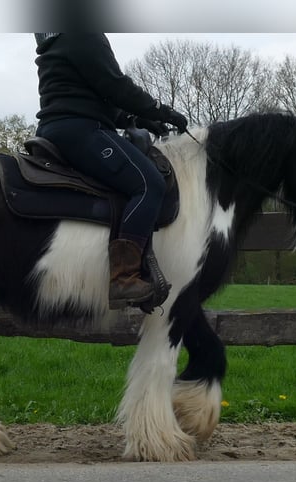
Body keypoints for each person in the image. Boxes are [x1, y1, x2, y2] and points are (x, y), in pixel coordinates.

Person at [33, 33, 188, 309]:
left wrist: (138, 119)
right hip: (82, 129)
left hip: (60, 126)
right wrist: (161, 111)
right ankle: (124, 277)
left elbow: (93, 95)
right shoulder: (81, 32)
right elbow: (115, 86)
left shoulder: (59, 38)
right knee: (149, 184)